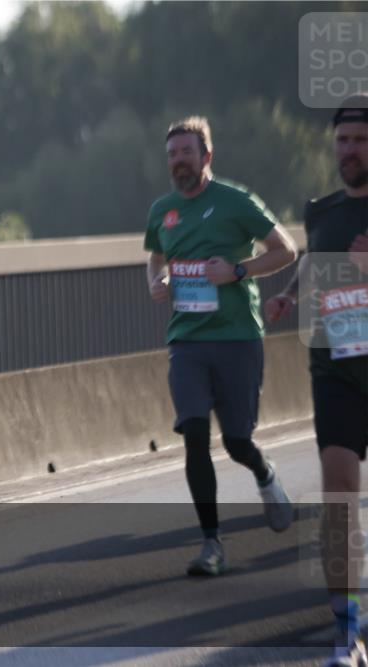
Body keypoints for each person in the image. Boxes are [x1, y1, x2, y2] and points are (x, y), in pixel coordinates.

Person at [143, 116, 298, 576]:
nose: (178, 161)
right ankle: (211, 543)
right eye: (172, 154)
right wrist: (158, 280)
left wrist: (239, 271)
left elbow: (286, 250)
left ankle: (264, 472)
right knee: (194, 434)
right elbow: (155, 257)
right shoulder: (163, 210)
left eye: (186, 152)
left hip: (237, 336)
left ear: (206, 156)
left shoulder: (235, 201)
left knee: (236, 440)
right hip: (187, 340)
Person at [265, 93, 368, 667]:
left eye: (358, 141)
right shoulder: (324, 211)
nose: (347, 152)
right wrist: (289, 294)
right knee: (338, 497)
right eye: (341, 142)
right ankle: (346, 633)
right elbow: (311, 257)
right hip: (336, 368)